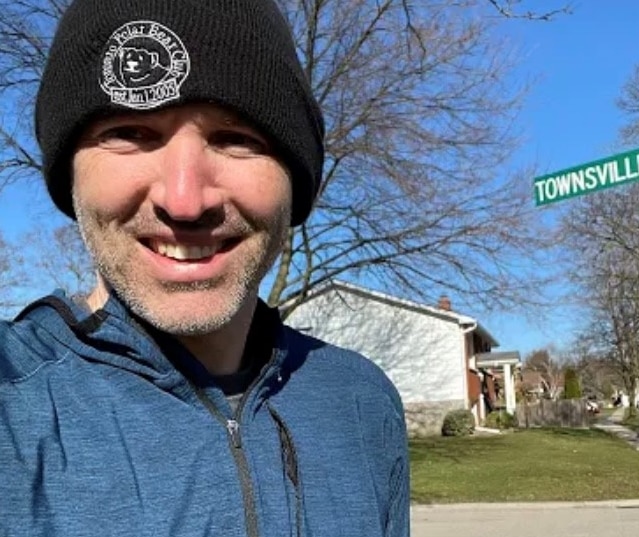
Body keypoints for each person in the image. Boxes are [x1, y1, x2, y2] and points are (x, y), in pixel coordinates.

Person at [0, 1, 410, 536]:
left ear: (294, 180)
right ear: (70, 174)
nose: (186, 201)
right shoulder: (15, 404)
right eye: (131, 132)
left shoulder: (360, 401)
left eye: (236, 139)